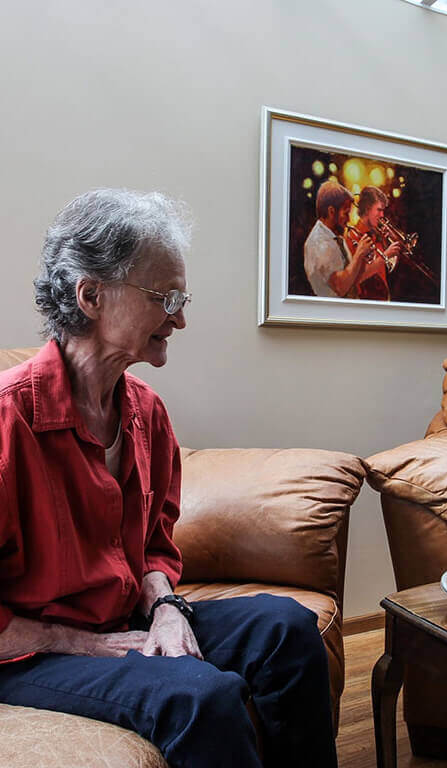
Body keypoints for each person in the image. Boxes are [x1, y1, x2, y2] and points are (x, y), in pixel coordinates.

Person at [0, 189, 338, 768]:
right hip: (32, 652)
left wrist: (165, 608)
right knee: (200, 697)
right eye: (165, 297)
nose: (180, 317)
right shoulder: (10, 420)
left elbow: (156, 544)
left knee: (288, 628)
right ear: (91, 295)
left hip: (126, 614)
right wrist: (91, 645)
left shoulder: (146, 411)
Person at [303, 179, 376, 298]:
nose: (348, 219)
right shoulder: (320, 243)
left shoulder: (335, 237)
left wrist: (365, 258)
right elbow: (340, 287)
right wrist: (359, 255)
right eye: (346, 213)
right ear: (331, 212)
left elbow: (350, 276)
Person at [343, 185, 401, 301]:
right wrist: (385, 256)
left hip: (383, 298)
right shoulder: (351, 236)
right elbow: (355, 278)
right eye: (379, 210)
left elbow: (387, 266)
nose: (382, 215)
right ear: (367, 209)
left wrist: (388, 242)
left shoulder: (376, 234)